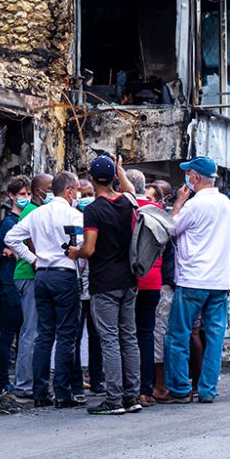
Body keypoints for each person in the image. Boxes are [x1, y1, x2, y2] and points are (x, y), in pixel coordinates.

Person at [158, 156, 230, 405]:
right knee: (214, 337)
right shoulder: (226, 204)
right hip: (219, 282)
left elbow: (168, 228)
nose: (186, 177)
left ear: (196, 178)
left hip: (193, 280)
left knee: (178, 335)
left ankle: (179, 389)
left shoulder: (194, 205)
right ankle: (207, 389)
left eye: (188, 173)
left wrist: (179, 201)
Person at [69, 156, 142, 415]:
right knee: (128, 337)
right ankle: (132, 396)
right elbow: (131, 190)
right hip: (129, 278)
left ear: (90, 178)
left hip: (104, 281)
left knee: (109, 339)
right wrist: (120, 170)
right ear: (112, 178)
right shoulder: (127, 202)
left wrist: (74, 252)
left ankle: (113, 398)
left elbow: (89, 248)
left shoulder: (93, 210)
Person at [6, 171, 83, 408]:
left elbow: (11, 238)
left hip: (42, 275)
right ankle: (62, 391)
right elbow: (82, 248)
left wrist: (33, 259)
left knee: (44, 333)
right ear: (69, 191)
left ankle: (40, 391)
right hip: (64, 274)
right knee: (66, 334)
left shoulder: (37, 214)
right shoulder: (74, 216)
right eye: (77, 190)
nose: (78, 195)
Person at [10, 173, 53, 401]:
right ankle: (25, 384)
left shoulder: (38, 210)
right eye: (49, 187)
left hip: (31, 274)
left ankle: (32, 380)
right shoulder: (33, 212)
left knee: (36, 330)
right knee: (31, 330)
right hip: (29, 275)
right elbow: (27, 242)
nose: (52, 190)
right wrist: (37, 262)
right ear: (39, 191)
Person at [127, 169, 163, 407]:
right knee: (146, 334)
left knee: (127, 336)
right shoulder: (157, 211)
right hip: (154, 278)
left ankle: (128, 388)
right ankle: (145, 390)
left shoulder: (124, 208)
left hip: (129, 280)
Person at [0, 176, 30, 395]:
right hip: (8, 283)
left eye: (27, 194)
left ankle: (17, 379)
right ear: (12, 196)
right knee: (7, 334)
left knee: (20, 333)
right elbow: (15, 253)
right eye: (21, 194)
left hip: (17, 282)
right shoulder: (8, 224)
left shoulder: (21, 220)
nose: (25, 198)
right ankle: (5, 382)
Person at [73, 179, 105, 396]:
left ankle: (96, 379)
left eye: (89, 194)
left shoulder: (98, 217)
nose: (86, 199)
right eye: (82, 194)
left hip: (94, 286)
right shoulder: (71, 219)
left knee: (96, 335)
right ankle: (75, 380)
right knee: (74, 335)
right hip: (75, 286)